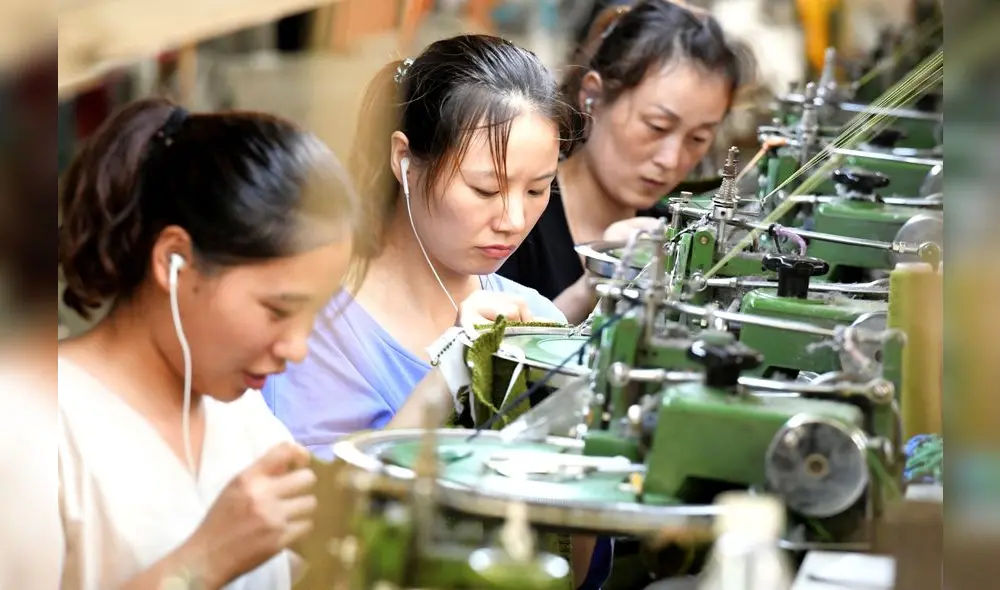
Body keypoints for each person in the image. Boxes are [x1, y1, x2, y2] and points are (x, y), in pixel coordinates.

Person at [262, 34, 611, 588]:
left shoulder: (533, 317)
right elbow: (319, 554)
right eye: (485, 188)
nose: (514, 219)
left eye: (538, 190)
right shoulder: (315, 332)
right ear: (404, 160)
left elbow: (575, 571)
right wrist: (449, 376)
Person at [57, 98, 361, 590]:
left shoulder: (240, 415)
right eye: (278, 310)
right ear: (174, 260)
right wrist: (203, 562)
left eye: (316, 313)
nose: (298, 348)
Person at [498, 0, 752, 323]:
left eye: (699, 138)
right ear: (594, 97)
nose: (671, 159)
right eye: (656, 127)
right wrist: (593, 286)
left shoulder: (675, 235)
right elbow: (484, 356)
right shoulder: (512, 221)